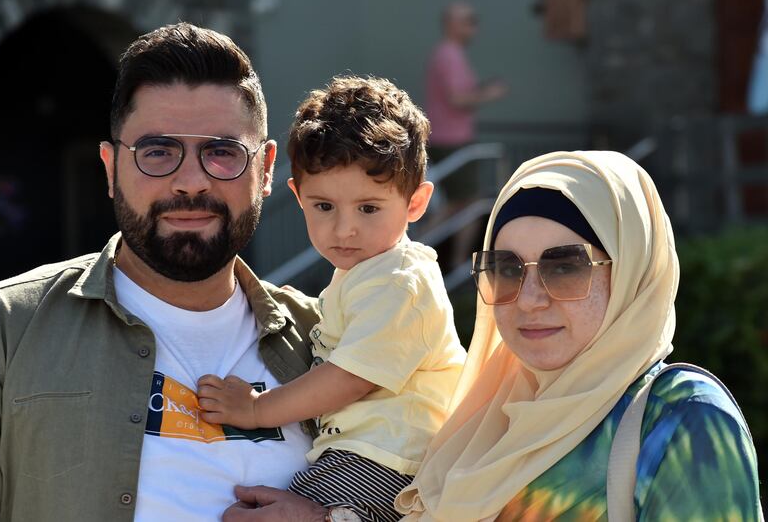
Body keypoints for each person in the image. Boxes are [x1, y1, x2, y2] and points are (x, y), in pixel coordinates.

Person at [223, 151, 763, 521]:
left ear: (631, 274)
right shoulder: (482, 419)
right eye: (505, 267)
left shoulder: (680, 418)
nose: (529, 298)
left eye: (566, 266)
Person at [0, 22, 321, 521]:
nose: (191, 182)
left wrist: (336, 517)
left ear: (265, 170)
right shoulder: (0, 330)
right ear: (110, 169)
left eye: (222, 151)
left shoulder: (331, 340)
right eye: (158, 152)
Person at [199, 76, 466, 522]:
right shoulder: (367, 273)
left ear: (416, 203)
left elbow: (350, 378)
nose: (344, 229)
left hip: (387, 458)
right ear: (298, 197)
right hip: (370, 453)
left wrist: (256, 408)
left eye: (368, 208)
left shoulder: (399, 282)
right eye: (324, 207)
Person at [424, 1, 508, 272]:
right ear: (451, 23)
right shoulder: (448, 54)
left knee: (462, 204)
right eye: (468, 20)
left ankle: (455, 264)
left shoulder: (450, 53)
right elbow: (458, 99)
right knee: (464, 203)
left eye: (474, 19)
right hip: (451, 141)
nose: (474, 25)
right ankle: (455, 264)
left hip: (450, 139)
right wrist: (489, 94)